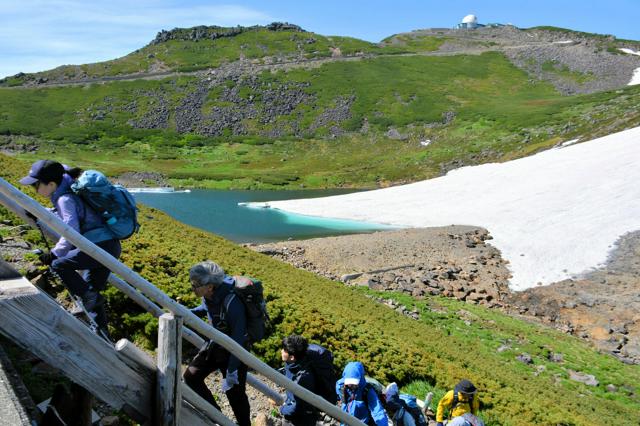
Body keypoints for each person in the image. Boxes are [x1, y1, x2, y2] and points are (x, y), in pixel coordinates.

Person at [20, 160, 121, 337]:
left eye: (36, 185)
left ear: (51, 184)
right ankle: (102, 335)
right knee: (91, 292)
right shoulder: (67, 191)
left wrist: (54, 254)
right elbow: (69, 215)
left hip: (98, 247)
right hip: (109, 245)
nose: (34, 189)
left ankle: (98, 328)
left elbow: (70, 230)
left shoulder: (65, 198)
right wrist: (41, 212)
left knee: (59, 265)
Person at [183, 261, 251, 426]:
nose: (192, 288)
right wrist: (183, 311)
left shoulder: (231, 302)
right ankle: (217, 418)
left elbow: (238, 338)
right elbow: (204, 309)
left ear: (210, 287)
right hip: (215, 346)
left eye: (195, 285)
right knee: (191, 377)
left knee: (235, 395)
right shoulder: (209, 296)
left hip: (234, 353)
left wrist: (232, 370)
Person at [278, 335, 320, 426]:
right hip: (293, 415)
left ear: (292, 357)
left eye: (284, 350)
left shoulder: (303, 378)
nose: (281, 351)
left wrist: (282, 409)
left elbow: (298, 406)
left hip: (301, 420)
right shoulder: (292, 364)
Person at [335, 361, 388, 426]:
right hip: (345, 422)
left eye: (354, 383)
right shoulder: (340, 387)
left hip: (362, 423)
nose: (351, 386)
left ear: (360, 379)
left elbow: (378, 412)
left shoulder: (367, 391)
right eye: (349, 383)